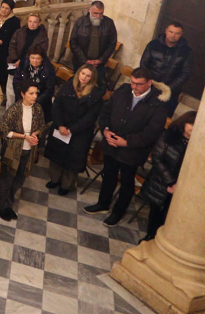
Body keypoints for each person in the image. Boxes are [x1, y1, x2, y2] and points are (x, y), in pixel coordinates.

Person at [86, 68, 170, 226]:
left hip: (133, 151)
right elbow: (106, 112)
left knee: (126, 181)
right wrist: (105, 131)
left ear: (149, 83)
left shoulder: (158, 103)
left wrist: (126, 142)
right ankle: (103, 203)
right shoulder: (123, 91)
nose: (134, 86)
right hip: (111, 143)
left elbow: (152, 132)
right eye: (132, 82)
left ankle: (118, 212)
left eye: (139, 84)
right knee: (109, 174)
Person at [44, 65, 104, 195]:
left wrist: (71, 129)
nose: (84, 77)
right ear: (78, 73)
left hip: (79, 133)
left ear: (92, 78)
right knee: (56, 154)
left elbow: (90, 117)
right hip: (61, 127)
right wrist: (60, 125)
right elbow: (57, 105)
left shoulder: (95, 94)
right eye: (83, 73)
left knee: (72, 160)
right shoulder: (68, 86)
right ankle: (54, 179)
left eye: (88, 75)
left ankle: (66, 185)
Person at [139, 111, 195, 242]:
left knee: (170, 214)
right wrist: (171, 182)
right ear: (184, 122)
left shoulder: (197, 145)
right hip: (161, 181)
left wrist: (179, 185)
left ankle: (161, 240)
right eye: (191, 123)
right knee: (156, 210)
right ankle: (150, 236)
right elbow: (157, 159)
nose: (193, 127)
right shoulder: (169, 135)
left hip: (181, 186)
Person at [0, 83, 45, 221]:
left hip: (29, 149)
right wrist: (24, 137)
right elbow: (4, 131)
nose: (35, 96)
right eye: (31, 93)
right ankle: (0, 205)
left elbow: (42, 125)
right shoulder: (14, 109)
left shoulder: (38, 109)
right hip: (13, 149)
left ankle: (8, 204)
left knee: (19, 179)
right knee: (7, 179)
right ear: (23, 94)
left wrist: (35, 134)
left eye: (36, 93)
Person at [140, 22, 193, 114]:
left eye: (177, 33)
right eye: (171, 32)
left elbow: (185, 73)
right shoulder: (153, 44)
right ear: (166, 31)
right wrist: (148, 81)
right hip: (149, 85)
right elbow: (144, 63)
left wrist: (168, 88)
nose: (173, 35)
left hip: (170, 91)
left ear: (181, 34)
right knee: (141, 112)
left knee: (161, 117)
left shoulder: (186, 51)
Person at [69, 1, 118, 82]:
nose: (98, 16)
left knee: (97, 85)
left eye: (101, 13)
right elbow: (73, 42)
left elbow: (112, 44)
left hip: (99, 64)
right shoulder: (80, 22)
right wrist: (84, 60)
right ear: (89, 10)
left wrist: (101, 60)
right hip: (81, 62)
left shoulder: (109, 23)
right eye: (95, 13)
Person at [12, 48, 57, 117]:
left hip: (41, 102)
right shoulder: (23, 65)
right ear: (29, 57)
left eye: (38, 58)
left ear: (42, 59)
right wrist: (23, 98)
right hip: (23, 98)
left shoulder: (48, 69)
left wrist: (35, 101)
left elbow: (49, 90)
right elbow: (16, 82)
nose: (35, 61)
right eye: (32, 58)